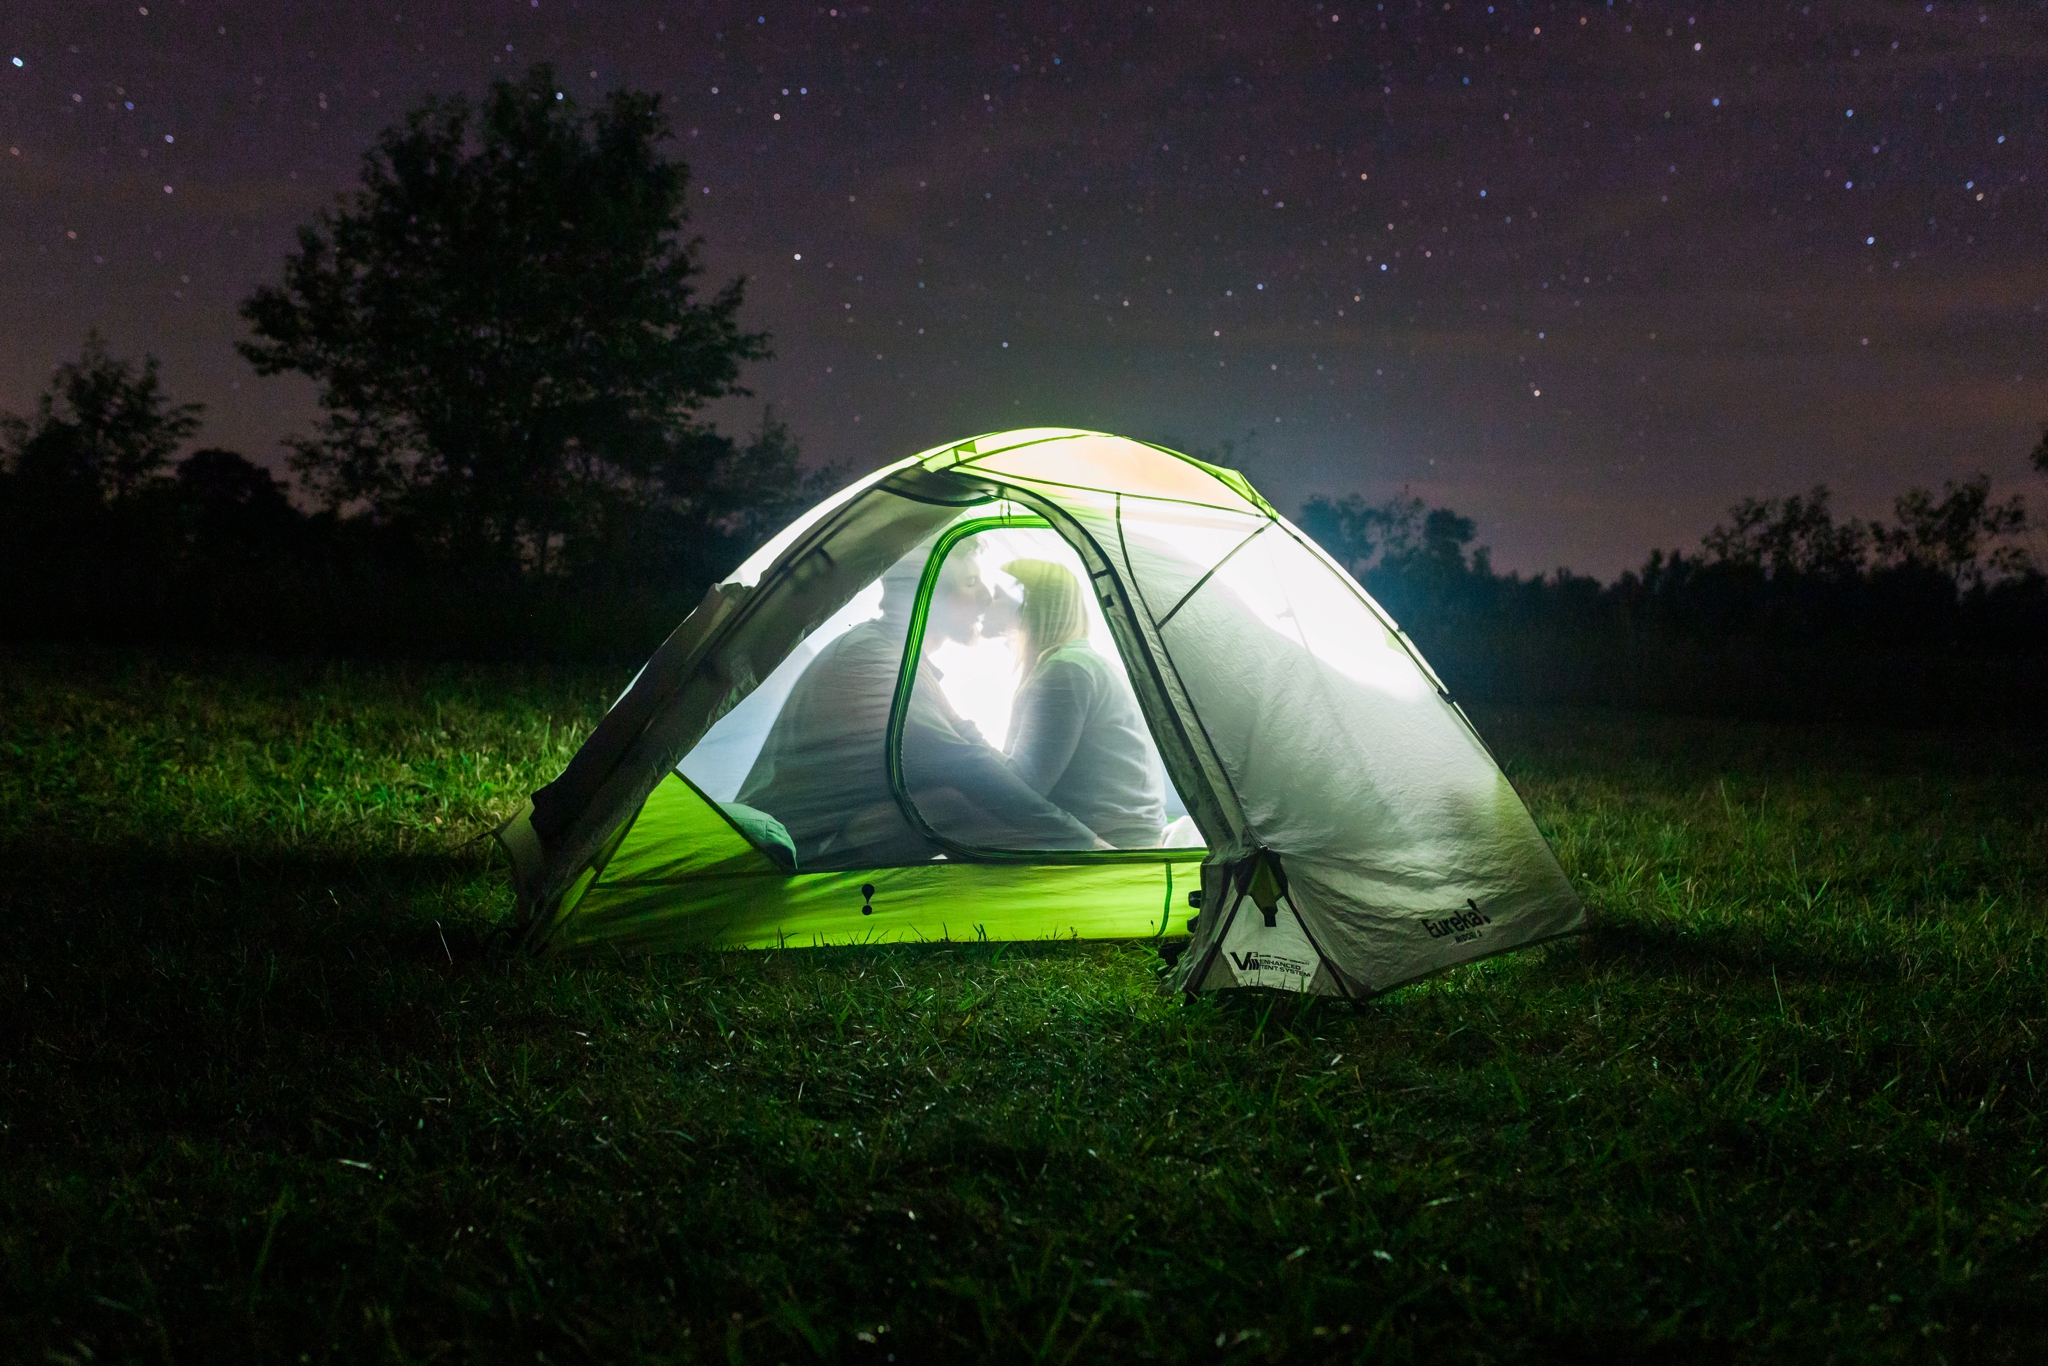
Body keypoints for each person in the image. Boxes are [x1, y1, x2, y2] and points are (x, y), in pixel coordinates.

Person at [735, 543, 1105, 867]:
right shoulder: (874, 658)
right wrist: (1085, 843)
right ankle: (1078, 873)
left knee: (953, 801)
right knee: (951, 803)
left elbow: (967, 747)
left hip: (830, 836)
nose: (988, 598)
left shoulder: (902, 658)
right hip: (786, 852)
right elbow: (963, 763)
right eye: (971, 583)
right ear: (926, 593)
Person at [998, 558, 1167, 848]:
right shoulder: (1077, 664)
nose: (988, 600)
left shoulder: (1065, 671)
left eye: (998, 593)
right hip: (1121, 839)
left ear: (1027, 605)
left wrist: (962, 746)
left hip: (1113, 847)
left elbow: (1023, 788)